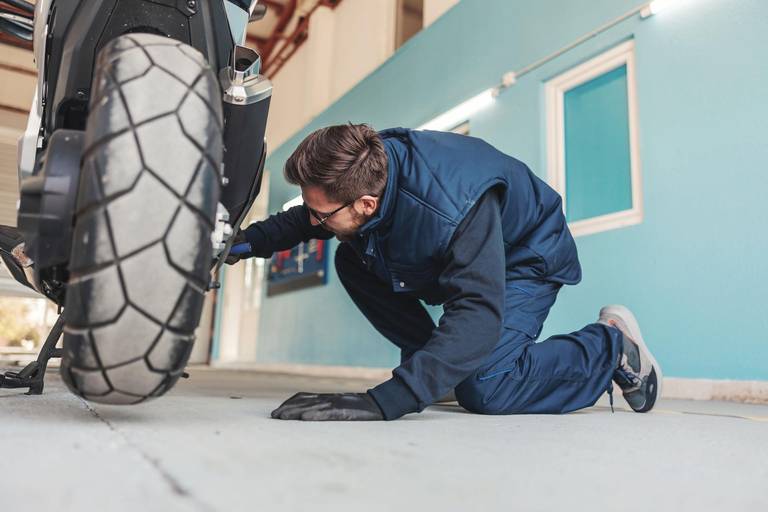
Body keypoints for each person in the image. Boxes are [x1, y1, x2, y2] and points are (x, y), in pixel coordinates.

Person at [228, 123, 662, 421]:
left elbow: (477, 313)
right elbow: (304, 220)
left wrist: (388, 401)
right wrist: (236, 245)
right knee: (352, 257)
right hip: (454, 247)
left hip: (525, 254)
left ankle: (610, 347)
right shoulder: (363, 168)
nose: (313, 220)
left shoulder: (451, 208)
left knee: (487, 388)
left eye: (322, 214)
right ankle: (437, 370)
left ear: (366, 205)